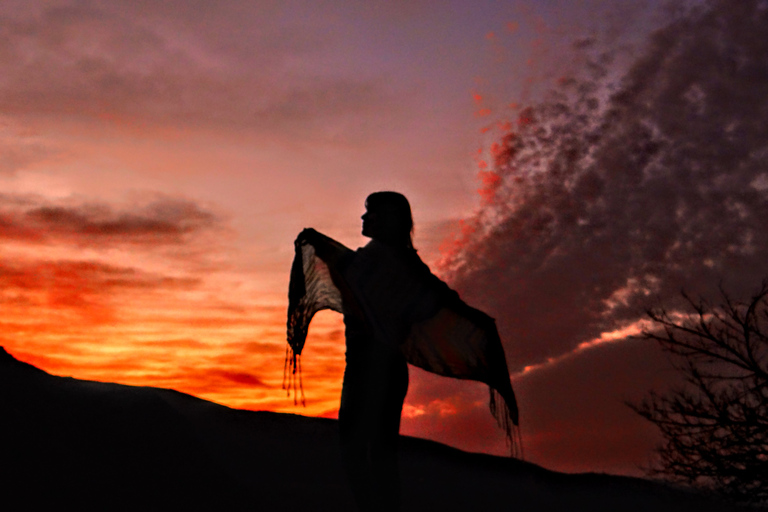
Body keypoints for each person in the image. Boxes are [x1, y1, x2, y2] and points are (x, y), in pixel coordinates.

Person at [287, 192, 520, 512]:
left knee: (363, 449)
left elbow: (428, 294)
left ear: (388, 220)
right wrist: (322, 247)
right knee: (371, 450)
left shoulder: (394, 263)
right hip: (366, 366)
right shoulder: (381, 260)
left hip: (376, 368)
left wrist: (320, 245)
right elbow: (356, 273)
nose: (363, 218)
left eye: (370, 213)